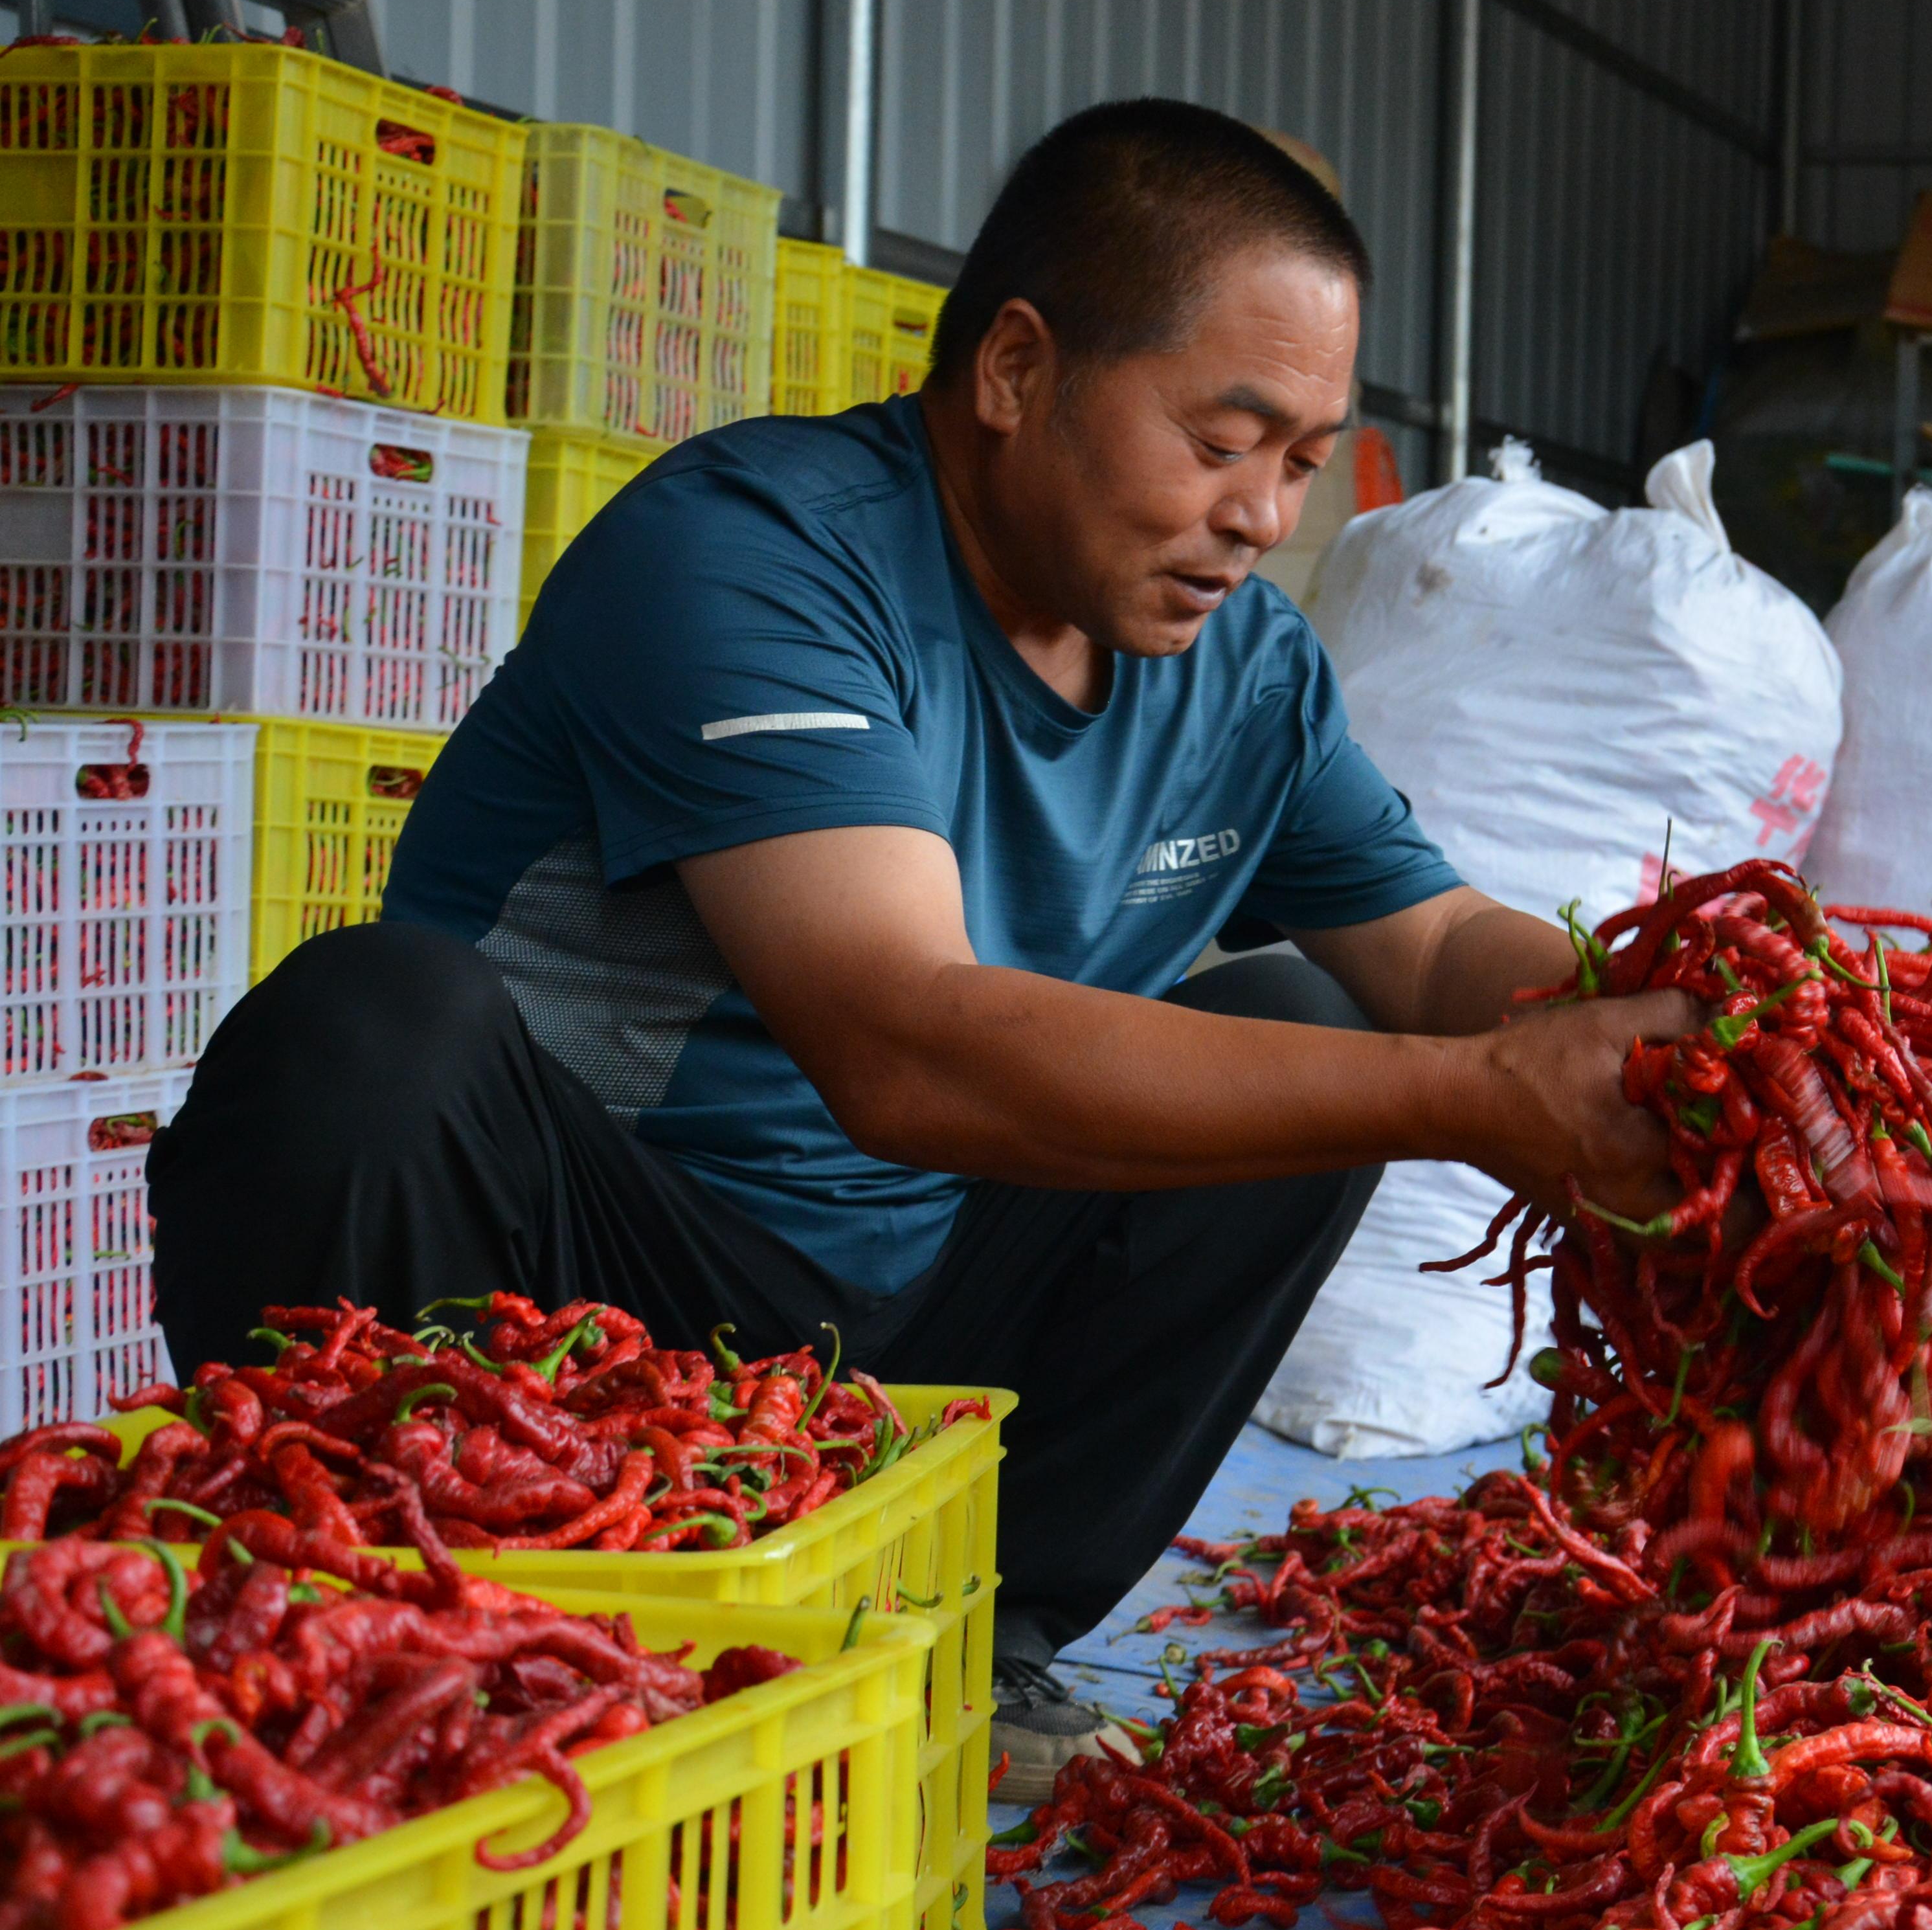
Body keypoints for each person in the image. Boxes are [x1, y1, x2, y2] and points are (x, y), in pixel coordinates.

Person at [152, 98, 1684, 1795]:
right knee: (370, 1031)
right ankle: (394, 1641)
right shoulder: (759, 555)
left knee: (1309, 1018)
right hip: (590, 1292)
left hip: (903, 1309)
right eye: (1220, 439)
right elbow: (898, 1044)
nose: (1259, 514)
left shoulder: (1243, 674)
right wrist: (1475, 1097)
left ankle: (981, 1631)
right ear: (1017, 370)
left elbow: (1436, 943)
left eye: (1304, 462)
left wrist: (1697, 1034)